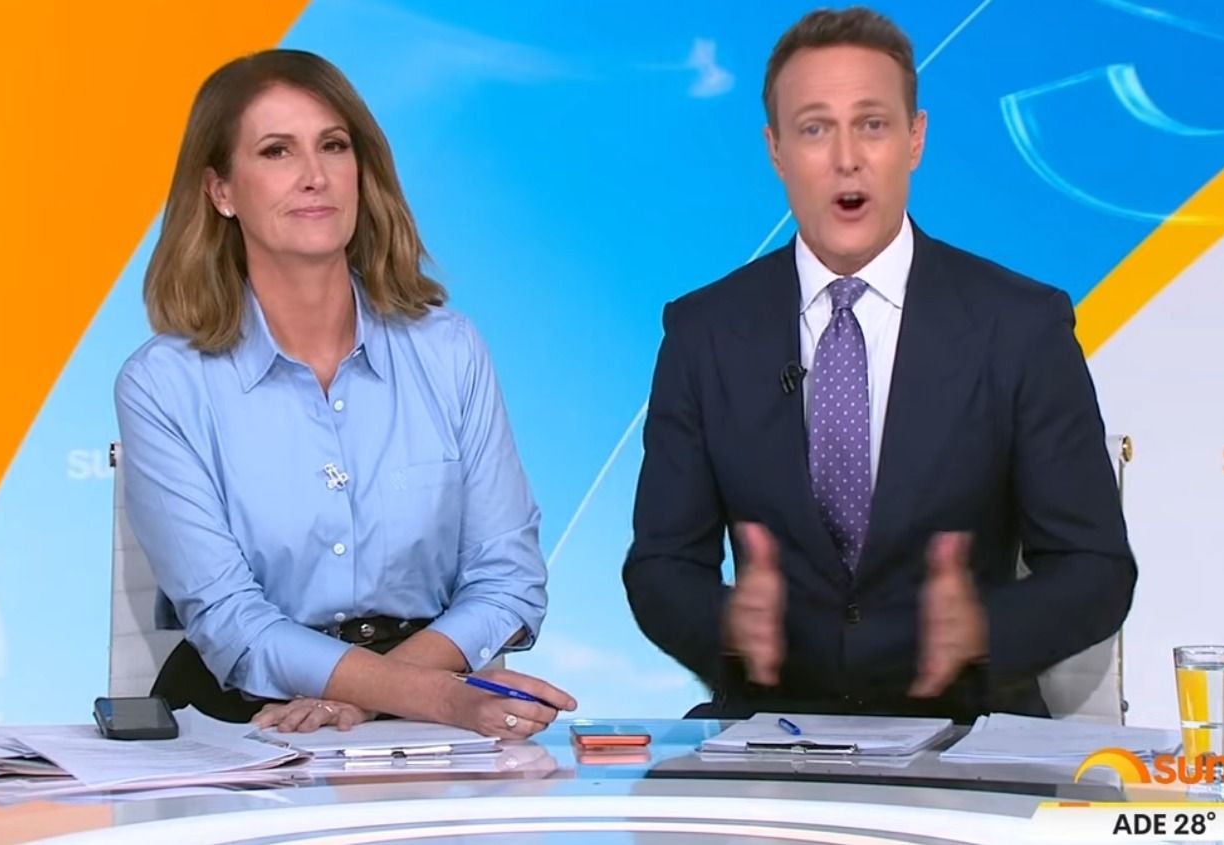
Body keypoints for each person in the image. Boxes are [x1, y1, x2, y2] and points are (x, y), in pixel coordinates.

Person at [622, 7, 1136, 723]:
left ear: (914, 138)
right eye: (814, 129)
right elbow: (661, 565)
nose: (847, 158)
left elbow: (1095, 567)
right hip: (771, 730)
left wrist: (980, 633)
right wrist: (731, 627)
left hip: (967, 729)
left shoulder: (1020, 325)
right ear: (775, 150)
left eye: (872, 124)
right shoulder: (703, 332)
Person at [115, 49, 575, 736]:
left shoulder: (449, 351)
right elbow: (231, 622)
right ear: (221, 191)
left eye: (333, 145)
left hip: (433, 711)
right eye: (277, 151)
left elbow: (508, 580)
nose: (314, 175)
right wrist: (436, 698)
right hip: (246, 718)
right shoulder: (162, 383)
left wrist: (370, 698)